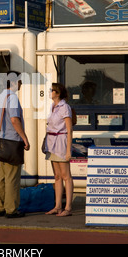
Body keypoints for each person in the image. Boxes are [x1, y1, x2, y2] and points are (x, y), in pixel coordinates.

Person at [0, 71, 30, 218]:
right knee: (12, 178)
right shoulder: (13, 98)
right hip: (12, 142)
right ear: (13, 82)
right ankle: (11, 209)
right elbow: (15, 120)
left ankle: (0, 207)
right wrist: (25, 138)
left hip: (0, 142)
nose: (21, 84)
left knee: (1, 178)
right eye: (19, 81)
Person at [44, 83, 75, 216]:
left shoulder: (65, 107)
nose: (50, 92)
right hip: (51, 143)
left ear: (58, 93)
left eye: (52, 90)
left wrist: (68, 150)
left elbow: (69, 129)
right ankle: (57, 206)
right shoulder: (53, 106)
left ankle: (68, 207)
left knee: (66, 176)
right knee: (57, 176)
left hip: (61, 142)